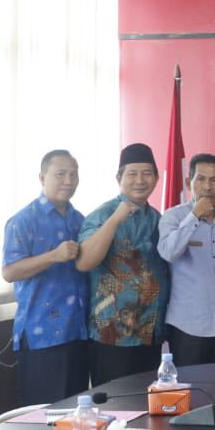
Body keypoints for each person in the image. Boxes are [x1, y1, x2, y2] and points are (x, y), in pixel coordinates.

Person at [1, 149, 90, 404]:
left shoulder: (80, 220)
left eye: (73, 175)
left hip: (79, 332)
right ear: (42, 177)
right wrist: (53, 256)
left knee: (76, 413)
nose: (68, 181)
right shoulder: (23, 220)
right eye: (60, 174)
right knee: (43, 415)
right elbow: (9, 271)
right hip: (42, 336)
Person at [77, 143, 170, 386]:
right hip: (113, 335)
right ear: (119, 178)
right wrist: (115, 219)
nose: (140, 180)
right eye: (132, 174)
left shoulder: (157, 218)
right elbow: (85, 262)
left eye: (147, 173)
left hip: (150, 332)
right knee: (115, 403)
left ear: (156, 179)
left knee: (147, 402)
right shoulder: (102, 214)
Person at [157, 153, 215, 366]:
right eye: (201, 179)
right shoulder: (173, 217)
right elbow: (168, 252)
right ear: (189, 182)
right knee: (190, 385)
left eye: (214, 180)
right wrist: (194, 216)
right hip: (187, 326)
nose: (207, 186)